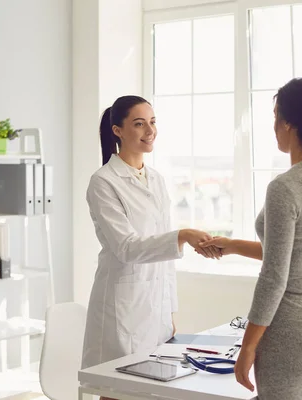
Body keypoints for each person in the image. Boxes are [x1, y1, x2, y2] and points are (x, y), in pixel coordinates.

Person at [200, 78, 302, 399]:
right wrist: (231, 246)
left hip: (293, 343)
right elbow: (301, 256)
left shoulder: (285, 187)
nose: (273, 126)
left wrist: (247, 348)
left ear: (289, 124)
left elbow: (274, 277)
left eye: (275, 117)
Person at [81, 95, 219, 384]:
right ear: (117, 130)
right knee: (116, 389)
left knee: (155, 389)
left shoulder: (155, 179)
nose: (150, 131)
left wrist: (169, 311)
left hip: (155, 309)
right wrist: (182, 236)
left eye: (153, 122)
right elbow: (127, 247)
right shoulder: (103, 181)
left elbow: (165, 260)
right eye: (139, 124)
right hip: (122, 309)